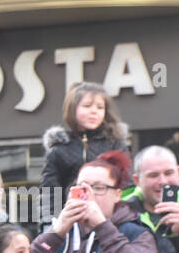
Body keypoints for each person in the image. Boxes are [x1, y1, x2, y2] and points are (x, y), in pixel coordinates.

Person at [39, 81, 128, 224]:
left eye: (100, 107)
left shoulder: (115, 143)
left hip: (111, 220)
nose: (94, 111)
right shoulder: (60, 148)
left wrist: (126, 218)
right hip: (72, 220)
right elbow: (50, 191)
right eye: (87, 106)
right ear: (72, 109)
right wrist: (49, 224)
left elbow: (127, 185)